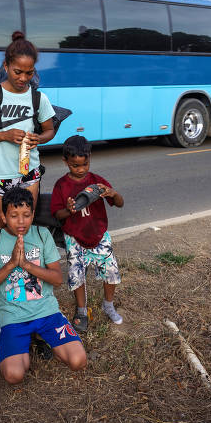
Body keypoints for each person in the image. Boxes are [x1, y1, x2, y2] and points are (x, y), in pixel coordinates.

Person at [0, 31, 56, 313]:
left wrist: (38, 139)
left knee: (27, 228)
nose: (23, 78)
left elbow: (50, 129)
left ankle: (28, 280)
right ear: (6, 66)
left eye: (29, 73)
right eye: (18, 71)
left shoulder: (38, 97)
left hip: (28, 173)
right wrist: (4, 136)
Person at [0, 186, 87, 384]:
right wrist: (10, 264)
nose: (21, 221)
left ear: (33, 214)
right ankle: (26, 342)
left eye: (26, 215)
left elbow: (57, 279)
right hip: (13, 318)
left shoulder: (42, 235)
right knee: (14, 375)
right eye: (14, 215)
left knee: (78, 361)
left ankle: (42, 337)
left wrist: (26, 264)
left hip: (47, 313)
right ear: (3, 216)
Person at [50, 135, 125, 333]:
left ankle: (108, 304)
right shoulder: (61, 185)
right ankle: (81, 310)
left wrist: (112, 193)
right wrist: (69, 210)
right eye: (75, 165)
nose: (81, 169)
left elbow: (119, 203)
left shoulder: (96, 181)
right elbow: (58, 214)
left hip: (99, 236)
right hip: (75, 238)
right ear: (66, 161)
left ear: (89, 158)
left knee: (111, 272)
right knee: (77, 276)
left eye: (85, 164)